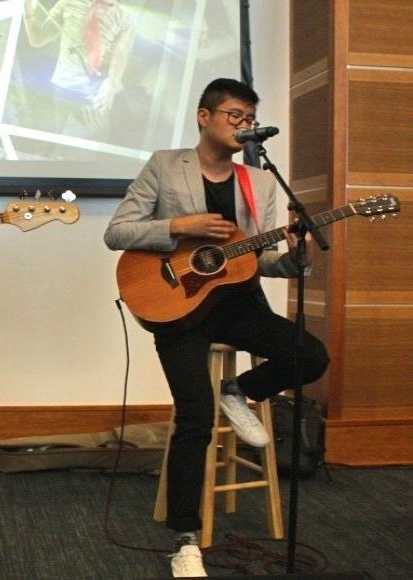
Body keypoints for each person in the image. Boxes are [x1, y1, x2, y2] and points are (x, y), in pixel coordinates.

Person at [103, 78, 330, 577]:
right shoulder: (165, 165)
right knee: (194, 418)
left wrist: (296, 256)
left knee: (311, 356)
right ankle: (185, 539)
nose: (243, 125)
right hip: (177, 308)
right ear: (204, 117)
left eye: (249, 118)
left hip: (239, 304)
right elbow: (116, 232)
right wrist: (179, 228)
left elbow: (262, 261)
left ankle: (239, 390)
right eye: (234, 115)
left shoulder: (263, 182)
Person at [22, 0, 134, 142]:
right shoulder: (68, 2)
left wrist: (111, 84)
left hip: (97, 93)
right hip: (65, 90)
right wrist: (27, 10)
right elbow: (37, 39)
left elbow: (121, 55)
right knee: (65, 145)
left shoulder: (124, 17)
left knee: (98, 144)